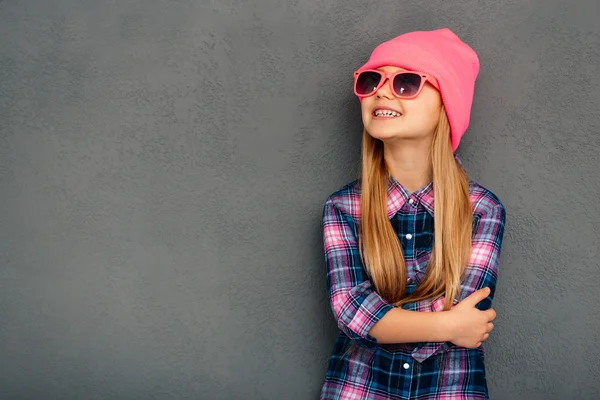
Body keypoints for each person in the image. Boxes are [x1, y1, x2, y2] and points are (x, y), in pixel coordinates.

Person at [320, 28, 506, 400]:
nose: (382, 91)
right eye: (372, 80)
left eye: (406, 82)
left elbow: (467, 314)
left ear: (446, 105)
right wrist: (446, 326)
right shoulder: (342, 208)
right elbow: (351, 311)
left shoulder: (482, 210)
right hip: (358, 390)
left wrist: (385, 323)